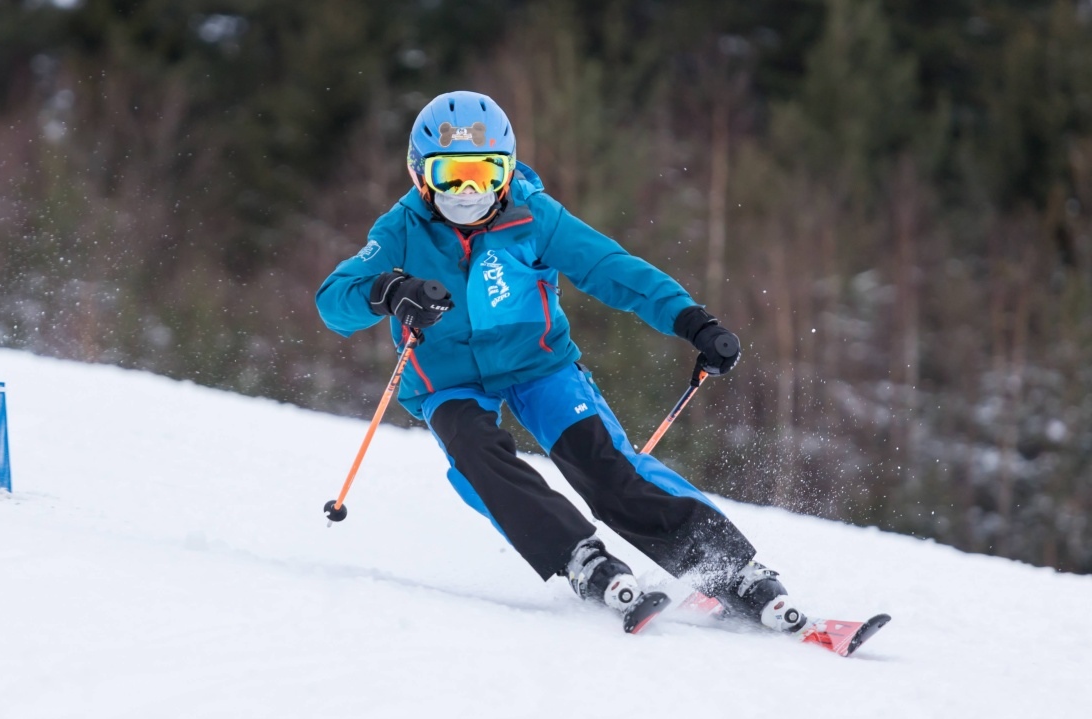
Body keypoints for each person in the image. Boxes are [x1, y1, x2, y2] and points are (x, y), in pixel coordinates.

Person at [316, 90, 805, 634]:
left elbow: (611, 268)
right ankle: (579, 558)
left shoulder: (535, 217)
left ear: (507, 170)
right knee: (477, 456)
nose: (469, 192)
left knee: (603, 465)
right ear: (420, 174)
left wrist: (691, 320)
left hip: (539, 365)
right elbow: (333, 302)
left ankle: (731, 570)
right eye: (451, 175)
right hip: (448, 378)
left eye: (484, 173)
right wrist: (387, 290)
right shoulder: (401, 229)